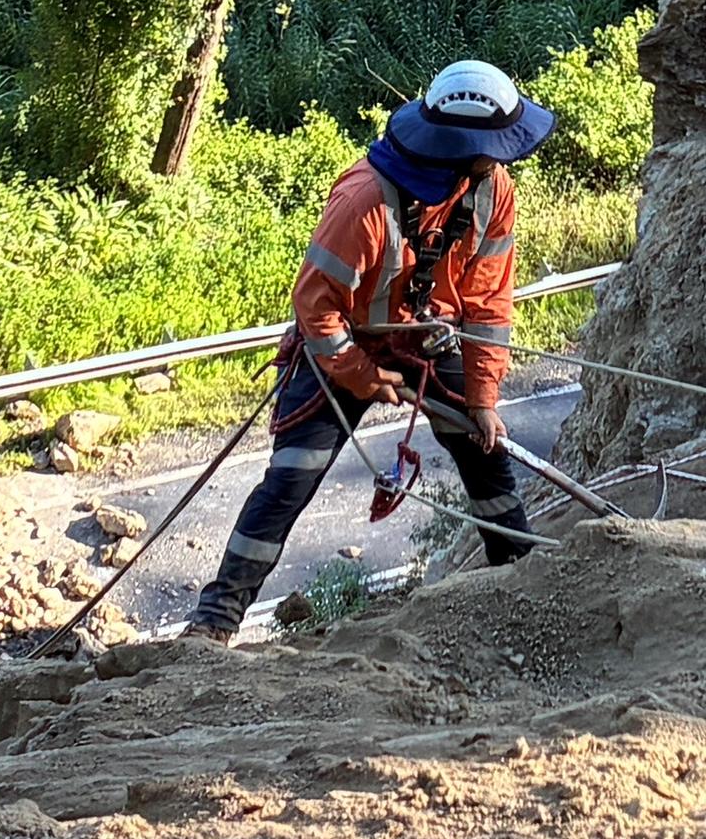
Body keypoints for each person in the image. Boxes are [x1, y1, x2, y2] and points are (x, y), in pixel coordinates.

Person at [186, 60, 553, 641]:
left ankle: (527, 580)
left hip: (433, 337)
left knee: (486, 454)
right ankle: (214, 622)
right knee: (290, 478)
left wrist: (482, 398)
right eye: (495, 147)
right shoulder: (363, 203)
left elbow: (488, 303)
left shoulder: (493, 191)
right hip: (345, 344)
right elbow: (315, 308)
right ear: (460, 147)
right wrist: (359, 374)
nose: (505, 157)